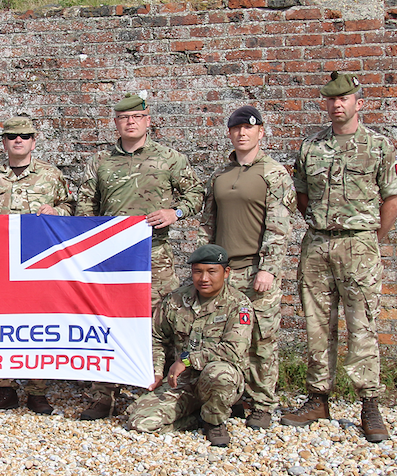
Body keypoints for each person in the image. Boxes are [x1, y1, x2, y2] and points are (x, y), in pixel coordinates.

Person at [281, 72, 397, 443]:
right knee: (317, 325)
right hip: (317, 244)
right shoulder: (311, 147)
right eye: (332, 100)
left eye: (345, 98)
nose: (338, 105)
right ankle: (318, 398)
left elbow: (393, 200)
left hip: (359, 246)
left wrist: (370, 238)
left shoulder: (379, 147)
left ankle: (369, 403)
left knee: (361, 324)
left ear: (358, 103)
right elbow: (302, 197)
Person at [75, 92, 204, 419]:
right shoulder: (100, 162)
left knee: (163, 322)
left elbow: (195, 194)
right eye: (123, 117)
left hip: (155, 255)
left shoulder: (168, 158)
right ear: (116, 123)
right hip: (112, 259)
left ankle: (168, 390)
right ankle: (103, 395)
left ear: (148, 120)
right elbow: (86, 207)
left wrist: (175, 211)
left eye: (137, 117)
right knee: (106, 322)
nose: (130, 122)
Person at [198, 105, 295, 429]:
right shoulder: (220, 176)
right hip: (222, 273)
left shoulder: (273, 173)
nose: (242, 133)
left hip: (256, 269)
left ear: (261, 132)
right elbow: (206, 224)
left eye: (249, 128)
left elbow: (279, 226)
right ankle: (233, 397)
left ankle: (262, 403)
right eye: (236, 128)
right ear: (229, 133)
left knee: (261, 338)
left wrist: (269, 268)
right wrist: (203, 266)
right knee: (223, 335)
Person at [0, 116, 76, 414]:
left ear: (34, 140)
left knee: (39, 323)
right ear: (4, 142)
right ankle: (4, 387)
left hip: (39, 263)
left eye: (24, 136)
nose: (18, 140)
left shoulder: (51, 175)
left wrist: (56, 210)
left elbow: (72, 208)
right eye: (12, 136)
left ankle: (37, 389)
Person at [126, 245, 252, 447]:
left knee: (219, 375)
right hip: (182, 382)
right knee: (139, 422)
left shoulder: (238, 304)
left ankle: (214, 421)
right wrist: (157, 371)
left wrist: (187, 360)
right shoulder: (176, 300)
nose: (204, 278)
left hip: (218, 379)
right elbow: (156, 336)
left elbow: (232, 350)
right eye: (197, 271)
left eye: (212, 272)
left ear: (226, 272)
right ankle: (197, 418)